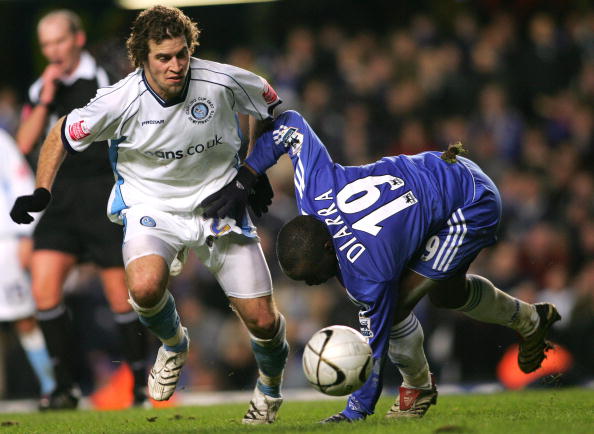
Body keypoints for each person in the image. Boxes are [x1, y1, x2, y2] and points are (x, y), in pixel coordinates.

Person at [11, 5, 288, 424]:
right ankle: (174, 344)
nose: (176, 65)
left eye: (182, 54)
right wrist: (42, 190)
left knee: (263, 321)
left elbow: (267, 104)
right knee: (142, 287)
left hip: (219, 204)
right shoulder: (120, 99)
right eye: (163, 57)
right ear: (143, 57)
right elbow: (60, 132)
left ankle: (269, 390)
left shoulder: (222, 79)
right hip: (152, 207)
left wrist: (252, 170)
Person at [207, 109, 561, 423]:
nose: (315, 285)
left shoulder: (369, 273)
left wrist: (356, 411)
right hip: (442, 169)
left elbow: (371, 349)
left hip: (469, 203)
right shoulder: (315, 190)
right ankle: (531, 319)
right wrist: (248, 173)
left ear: (329, 249)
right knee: (447, 294)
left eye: (314, 276)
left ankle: (418, 387)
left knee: (395, 312)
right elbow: (292, 126)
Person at [14, 9, 148, 409]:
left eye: (58, 42)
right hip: (59, 196)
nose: (53, 51)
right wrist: (45, 101)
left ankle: (140, 385)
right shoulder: (44, 87)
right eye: (46, 45)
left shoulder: (105, 77)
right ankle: (64, 385)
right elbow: (23, 144)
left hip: (101, 192)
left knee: (121, 298)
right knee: (43, 291)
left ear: (77, 39)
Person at [0, 128, 56, 404]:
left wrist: (25, 236)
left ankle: (53, 385)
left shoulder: (0, 141)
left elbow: (21, 184)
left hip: (5, 244)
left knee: (24, 318)